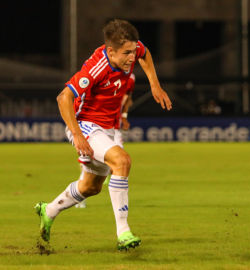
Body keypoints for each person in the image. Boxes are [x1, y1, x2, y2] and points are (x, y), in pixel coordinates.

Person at [34, 19, 172, 251]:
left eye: (132, 51)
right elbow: (63, 98)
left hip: (106, 127)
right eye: (127, 53)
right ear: (110, 51)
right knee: (122, 160)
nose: (132, 57)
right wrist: (77, 135)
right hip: (84, 124)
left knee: (91, 187)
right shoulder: (97, 68)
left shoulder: (132, 49)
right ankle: (123, 233)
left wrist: (154, 84)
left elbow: (144, 52)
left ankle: (48, 210)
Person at [75, 73, 136, 209]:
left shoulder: (130, 78)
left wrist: (124, 116)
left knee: (116, 162)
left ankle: (120, 213)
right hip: (96, 127)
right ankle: (79, 197)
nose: (130, 58)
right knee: (107, 163)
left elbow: (127, 99)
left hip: (114, 127)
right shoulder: (100, 71)